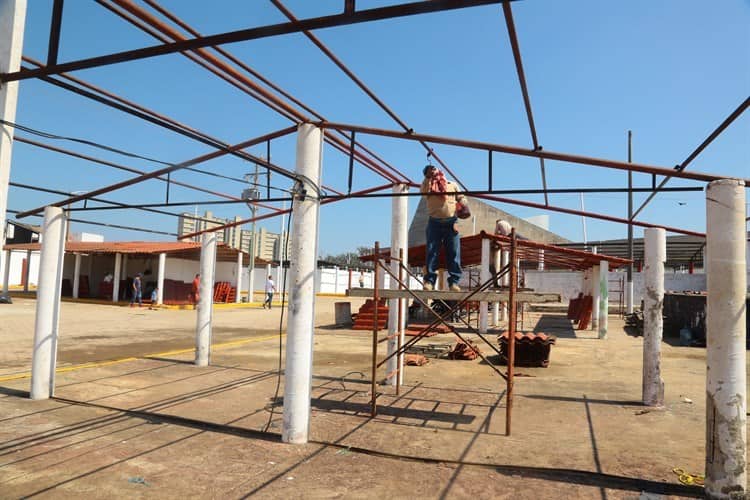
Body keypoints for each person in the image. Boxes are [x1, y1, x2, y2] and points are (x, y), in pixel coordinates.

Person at [420, 165, 467, 292]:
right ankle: (429, 281)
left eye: (434, 169)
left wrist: (463, 204)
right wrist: (428, 178)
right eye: (430, 171)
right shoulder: (428, 185)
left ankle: (454, 283)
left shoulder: (451, 184)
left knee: (453, 253)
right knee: (432, 252)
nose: (434, 171)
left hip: (451, 222)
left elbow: (461, 197)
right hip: (434, 222)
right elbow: (423, 192)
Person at [490, 220, 513, 287]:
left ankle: (496, 284)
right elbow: (496, 248)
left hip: (490, 263)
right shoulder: (506, 222)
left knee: (494, 272)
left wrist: (498, 244)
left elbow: (496, 233)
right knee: (494, 272)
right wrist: (499, 246)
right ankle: (496, 284)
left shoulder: (498, 223)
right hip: (489, 263)